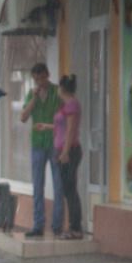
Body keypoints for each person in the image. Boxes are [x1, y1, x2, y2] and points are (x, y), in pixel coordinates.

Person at [36, 74, 84, 240]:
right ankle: (73, 227)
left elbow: (70, 130)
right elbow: (61, 126)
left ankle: (75, 228)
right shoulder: (67, 105)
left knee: (70, 190)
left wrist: (65, 152)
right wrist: (47, 126)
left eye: (59, 87)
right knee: (67, 190)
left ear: (62, 89)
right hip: (63, 151)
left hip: (69, 152)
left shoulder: (72, 105)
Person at [20, 63, 63, 238]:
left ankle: (57, 225)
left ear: (48, 75)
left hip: (55, 143)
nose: (39, 82)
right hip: (37, 144)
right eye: (36, 79)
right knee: (38, 185)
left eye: (42, 78)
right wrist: (34, 99)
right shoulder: (32, 94)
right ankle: (38, 225)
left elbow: (63, 120)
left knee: (58, 184)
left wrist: (48, 127)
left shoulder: (57, 92)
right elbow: (23, 117)